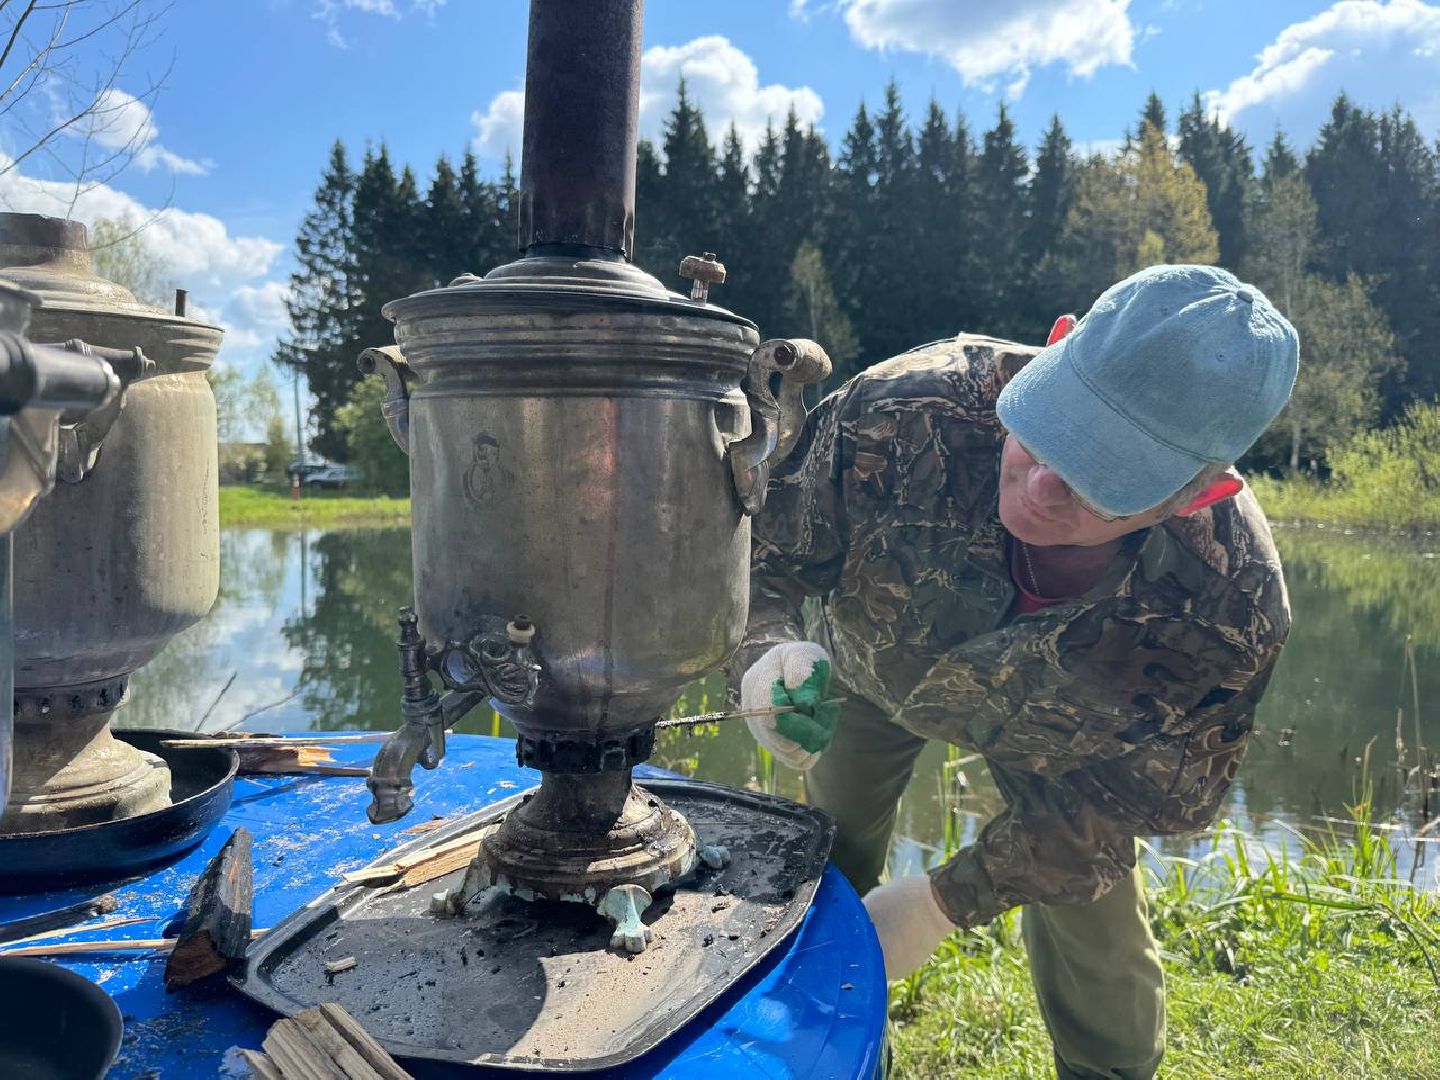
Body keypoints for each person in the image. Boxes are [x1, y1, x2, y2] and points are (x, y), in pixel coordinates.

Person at [731, 264, 1299, 1079]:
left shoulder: (1229, 609)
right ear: (1058, 344)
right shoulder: (905, 407)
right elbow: (764, 557)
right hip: (870, 668)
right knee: (832, 856)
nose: (1039, 486)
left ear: (1200, 493)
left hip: (1061, 745)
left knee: (1096, 938)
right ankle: (813, 1049)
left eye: (1101, 482)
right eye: (1046, 429)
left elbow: (1137, 800)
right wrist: (767, 658)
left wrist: (943, 902)